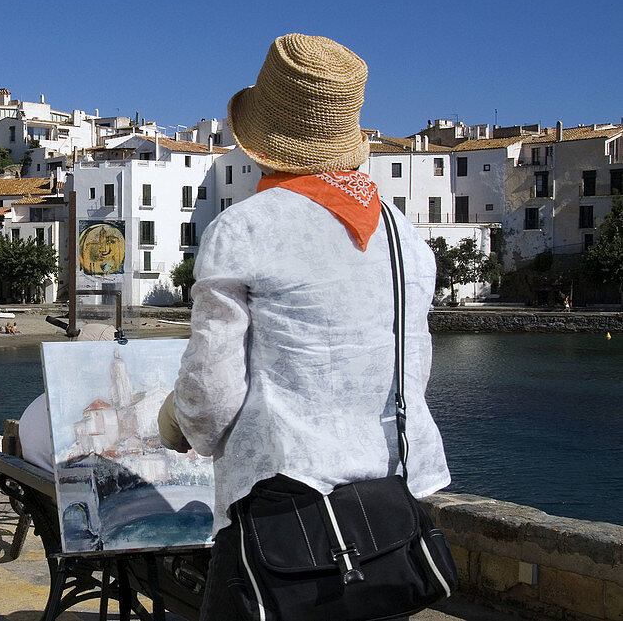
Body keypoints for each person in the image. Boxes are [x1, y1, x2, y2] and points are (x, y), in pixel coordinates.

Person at [157, 34, 450, 620]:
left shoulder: (244, 228)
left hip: (283, 511)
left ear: (261, 142)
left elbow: (213, 392)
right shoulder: (405, 236)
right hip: (385, 514)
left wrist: (174, 422)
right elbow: (411, 370)